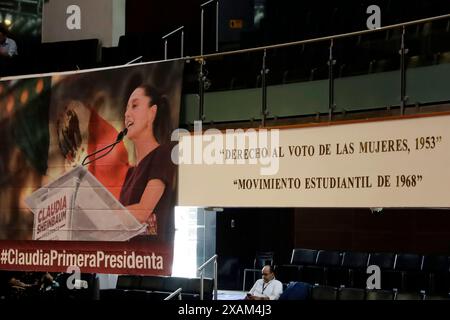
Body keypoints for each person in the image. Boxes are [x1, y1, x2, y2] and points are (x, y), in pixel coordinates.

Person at [119, 84, 176, 241]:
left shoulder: (163, 155)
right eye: (126, 108)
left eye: (135, 106)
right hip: (124, 259)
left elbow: (143, 212)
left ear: (152, 113)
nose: (127, 114)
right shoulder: (130, 173)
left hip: (149, 260)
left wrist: (99, 213)